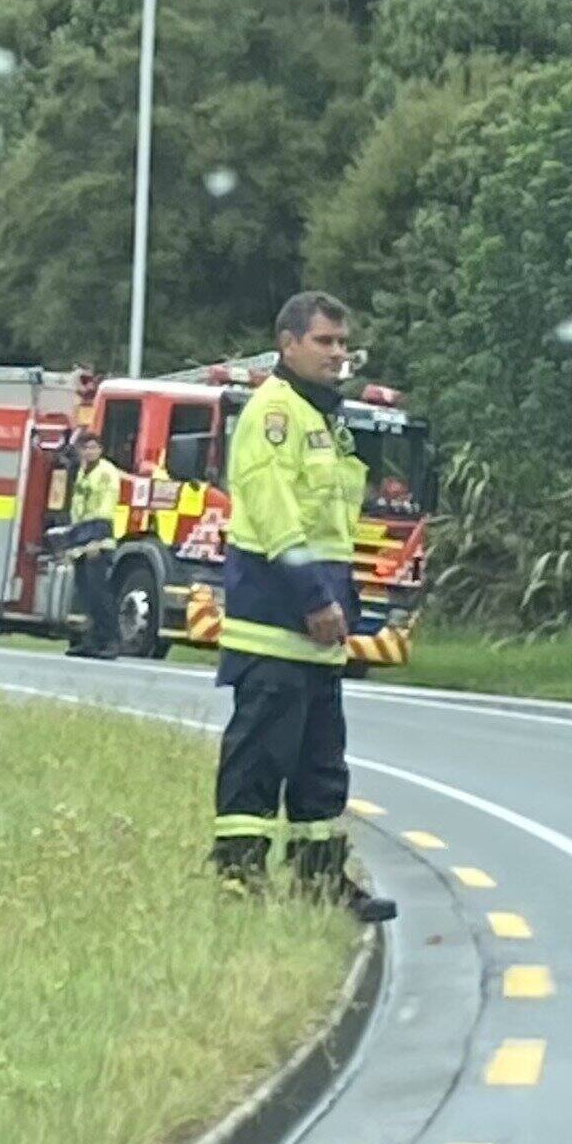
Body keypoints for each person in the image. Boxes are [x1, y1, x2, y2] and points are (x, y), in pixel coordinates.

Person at [210, 291, 396, 923]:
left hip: (319, 632)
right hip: (276, 624)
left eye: (344, 343)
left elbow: (333, 527)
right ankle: (238, 879)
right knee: (259, 760)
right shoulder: (274, 415)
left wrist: (342, 603)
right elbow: (279, 521)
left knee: (320, 767)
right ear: (288, 344)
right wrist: (317, 600)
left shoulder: (325, 418)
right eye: (325, 341)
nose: (338, 354)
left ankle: (320, 884)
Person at [67, 432, 122, 660]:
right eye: (85, 448)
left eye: (93, 447)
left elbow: (105, 508)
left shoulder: (106, 473)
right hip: (81, 538)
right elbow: (78, 507)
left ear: (100, 450)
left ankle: (110, 641)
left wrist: (95, 542)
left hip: (98, 540)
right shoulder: (83, 471)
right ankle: (91, 641)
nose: (89, 452)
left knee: (100, 594)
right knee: (86, 594)